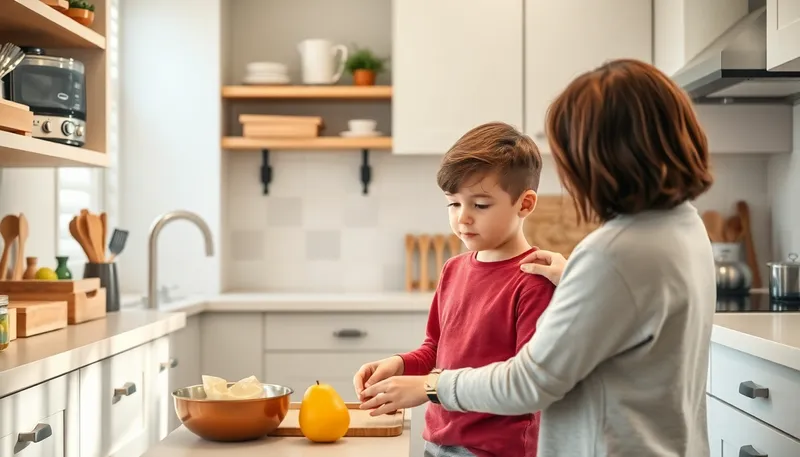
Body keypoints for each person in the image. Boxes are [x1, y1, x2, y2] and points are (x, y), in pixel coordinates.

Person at [358, 58, 716, 457]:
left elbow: (530, 381)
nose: (570, 172)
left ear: (608, 157)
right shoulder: (686, 228)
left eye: (571, 155)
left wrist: (430, 386)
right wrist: (578, 281)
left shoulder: (612, 256)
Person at [353, 122, 556, 457]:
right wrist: (400, 364)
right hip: (437, 442)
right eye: (453, 203)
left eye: (480, 205)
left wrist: (426, 389)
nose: (463, 218)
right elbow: (435, 349)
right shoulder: (454, 269)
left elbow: (524, 385)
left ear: (525, 204)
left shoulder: (533, 280)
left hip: (497, 451)